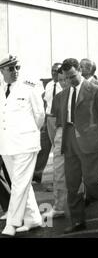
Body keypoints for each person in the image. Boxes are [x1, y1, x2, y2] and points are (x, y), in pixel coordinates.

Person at [58, 58, 98, 234]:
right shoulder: (63, 94)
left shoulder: (96, 91)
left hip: (90, 142)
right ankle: (78, 221)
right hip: (70, 141)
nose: (70, 80)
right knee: (72, 184)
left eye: (73, 76)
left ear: (80, 70)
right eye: (67, 77)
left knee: (91, 180)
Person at [0, 54, 45, 237]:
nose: (15, 71)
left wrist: (29, 133)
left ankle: (12, 223)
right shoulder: (2, 89)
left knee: (19, 184)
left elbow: (39, 116)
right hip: (7, 144)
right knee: (22, 183)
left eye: (17, 67)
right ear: (2, 71)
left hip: (26, 143)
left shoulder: (29, 87)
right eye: (10, 68)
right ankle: (33, 218)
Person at [42, 66, 69, 219]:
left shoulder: (90, 91)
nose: (64, 83)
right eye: (61, 80)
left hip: (80, 138)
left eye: (66, 79)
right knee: (59, 170)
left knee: (87, 176)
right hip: (59, 128)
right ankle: (58, 206)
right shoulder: (58, 96)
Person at [34, 63, 63, 185]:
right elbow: (46, 102)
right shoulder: (50, 85)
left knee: (58, 150)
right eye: (52, 70)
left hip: (59, 119)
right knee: (43, 147)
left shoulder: (64, 84)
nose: (54, 72)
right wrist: (44, 121)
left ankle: (57, 180)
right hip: (48, 118)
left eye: (57, 70)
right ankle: (37, 175)